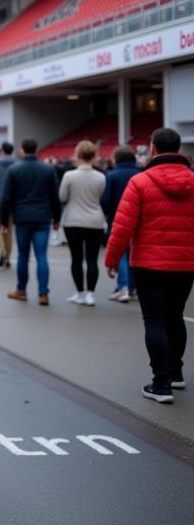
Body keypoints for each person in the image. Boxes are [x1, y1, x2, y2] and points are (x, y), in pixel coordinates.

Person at [105, 127, 194, 404]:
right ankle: (177, 372)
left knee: (154, 320)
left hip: (148, 264)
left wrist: (111, 259)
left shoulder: (140, 182)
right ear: (178, 150)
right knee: (176, 316)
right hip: (185, 264)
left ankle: (161, 383)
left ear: (153, 149)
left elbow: (123, 226)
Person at [0, 138, 61, 306]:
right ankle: (43, 294)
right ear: (36, 149)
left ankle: (21, 290)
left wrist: (4, 221)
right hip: (43, 218)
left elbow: (5, 199)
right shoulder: (48, 170)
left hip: (23, 217)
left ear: (22, 150)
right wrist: (57, 218)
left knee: (23, 256)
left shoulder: (14, 170)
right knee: (42, 256)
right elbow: (55, 197)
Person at [59, 140, 106, 306]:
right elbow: (102, 198)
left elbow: (63, 197)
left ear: (77, 155)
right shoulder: (101, 177)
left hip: (73, 221)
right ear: (94, 156)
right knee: (92, 259)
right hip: (95, 221)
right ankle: (91, 294)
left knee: (76, 258)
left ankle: (79, 293)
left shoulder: (69, 176)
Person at [101, 145, 141, 302]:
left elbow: (105, 200)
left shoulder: (112, 175)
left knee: (121, 253)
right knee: (133, 253)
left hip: (117, 218)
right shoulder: (141, 174)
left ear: (116, 158)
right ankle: (132, 287)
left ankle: (123, 287)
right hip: (138, 220)